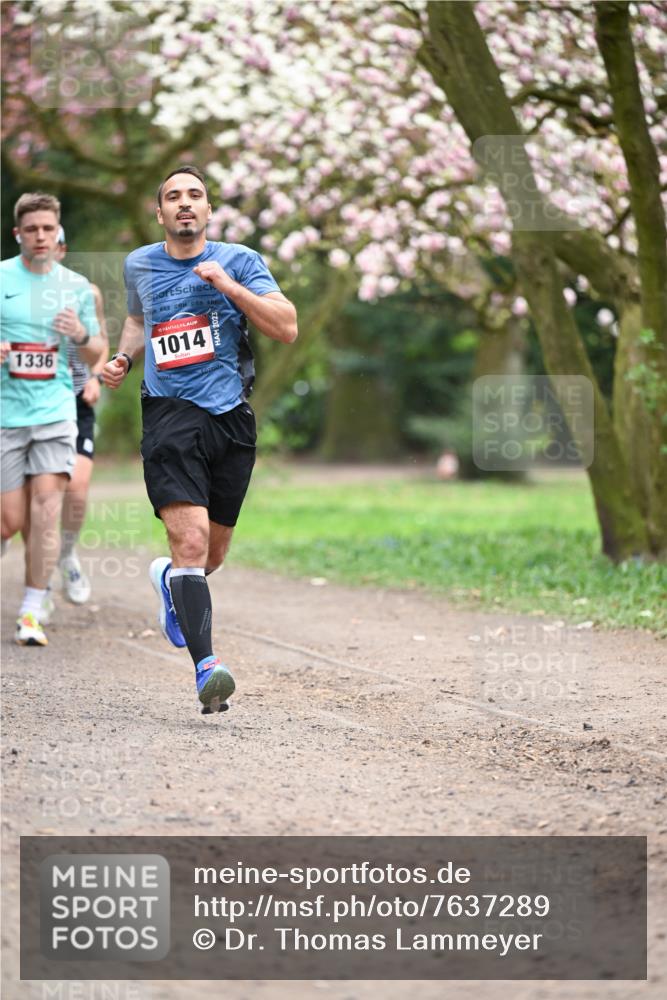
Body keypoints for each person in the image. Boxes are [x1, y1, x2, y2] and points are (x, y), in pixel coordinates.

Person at [102, 165, 297, 713]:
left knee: (208, 557)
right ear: (159, 213)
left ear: (209, 211)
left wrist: (227, 287)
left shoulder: (240, 261)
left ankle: (169, 580)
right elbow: (140, 320)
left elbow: (286, 326)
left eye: (195, 196)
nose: (184, 204)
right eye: (173, 197)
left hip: (231, 415)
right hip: (168, 413)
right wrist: (123, 357)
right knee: (189, 544)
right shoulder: (139, 263)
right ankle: (206, 670)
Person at [1, 193, 106, 645]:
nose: (40, 236)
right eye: (32, 229)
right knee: (8, 521)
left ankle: (30, 612)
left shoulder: (77, 287)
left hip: (55, 412)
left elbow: (96, 350)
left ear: (57, 232)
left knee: (46, 510)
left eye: (47, 229)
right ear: (18, 234)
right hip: (6, 413)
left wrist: (80, 334)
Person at [53, 226, 109, 604]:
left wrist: (95, 377)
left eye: (54, 242)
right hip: (28, 401)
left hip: (75, 400)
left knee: (76, 488)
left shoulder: (87, 292)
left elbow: (102, 343)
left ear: (62, 248)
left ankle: (67, 552)